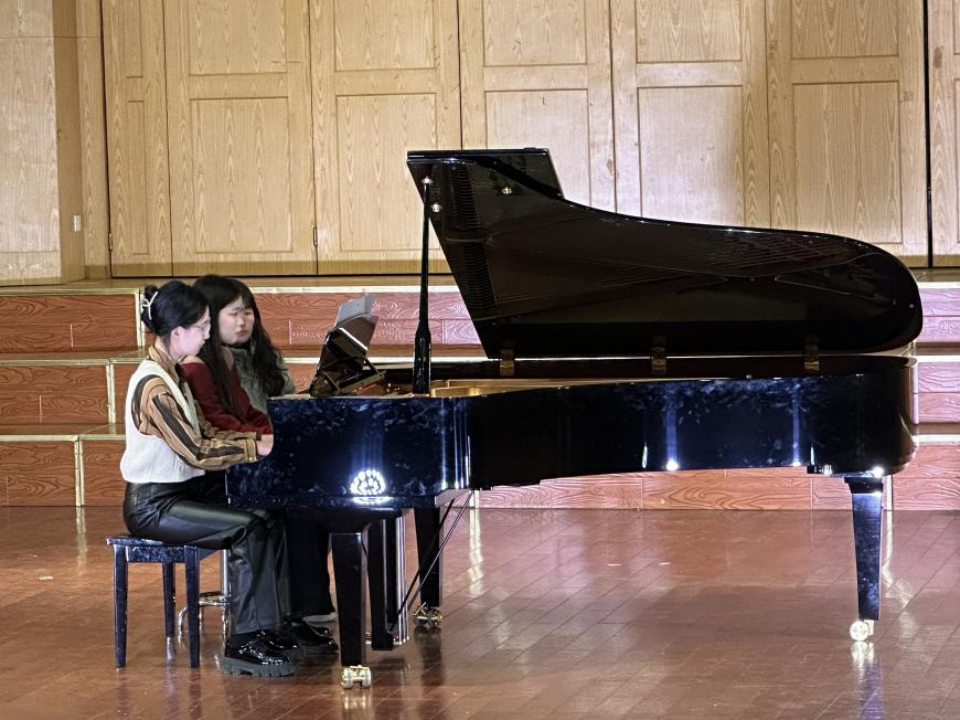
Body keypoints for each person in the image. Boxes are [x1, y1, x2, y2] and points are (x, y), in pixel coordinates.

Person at [120, 281, 298, 677]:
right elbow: (196, 451)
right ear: (177, 332)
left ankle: (270, 626)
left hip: (186, 490)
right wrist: (257, 448)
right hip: (154, 505)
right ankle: (243, 641)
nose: (206, 335)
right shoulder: (153, 386)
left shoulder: (175, 374)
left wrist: (259, 440)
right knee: (249, 527)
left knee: (270, 511)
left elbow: (208, 432)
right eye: (201, 327)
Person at [183, 275, 337, 629]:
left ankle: (304, 602)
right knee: (294, 501)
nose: (243, 321)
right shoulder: (200, 365)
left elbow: (258, 410)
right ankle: (293, 606)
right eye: (233, 313)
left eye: (248, 312)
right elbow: (220, 423)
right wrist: (265, 439)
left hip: (255, 452)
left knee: (314, 495)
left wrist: (279, 433)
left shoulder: (253, 357)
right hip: (225, 467)